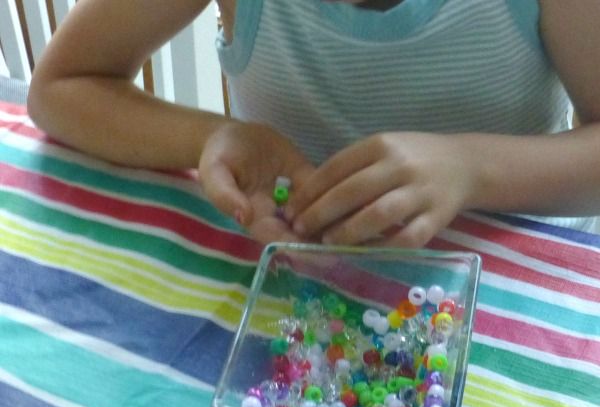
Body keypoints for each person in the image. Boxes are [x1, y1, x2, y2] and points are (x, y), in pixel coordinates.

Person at [28, 0, 600, 247]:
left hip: (519, 296)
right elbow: (62, 87)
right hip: (295, 280)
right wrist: (213, 136)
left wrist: (472, 170)